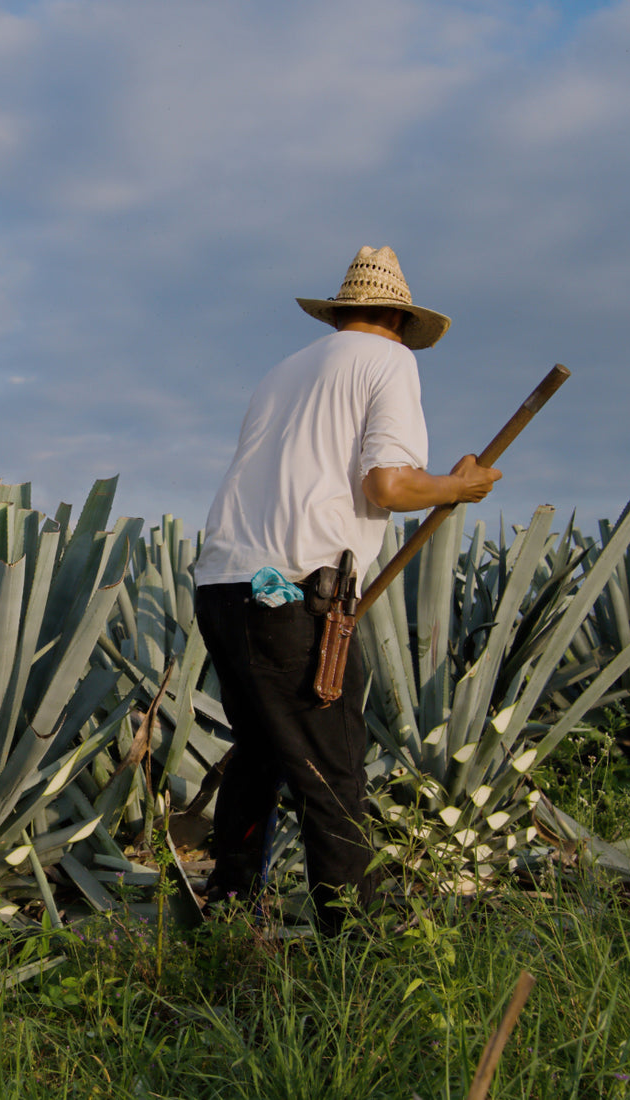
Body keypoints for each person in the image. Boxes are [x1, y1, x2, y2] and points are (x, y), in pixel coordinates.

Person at [193, 245, 501, 932]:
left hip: (222, 583)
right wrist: (462, 487)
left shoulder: (283, 372)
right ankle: (354, 950)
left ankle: (229, 916)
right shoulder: (390, 361)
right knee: (332, 773)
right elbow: (387, 485)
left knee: (262, 753)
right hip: (296, 591)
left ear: (343, 313)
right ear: (397, 317)